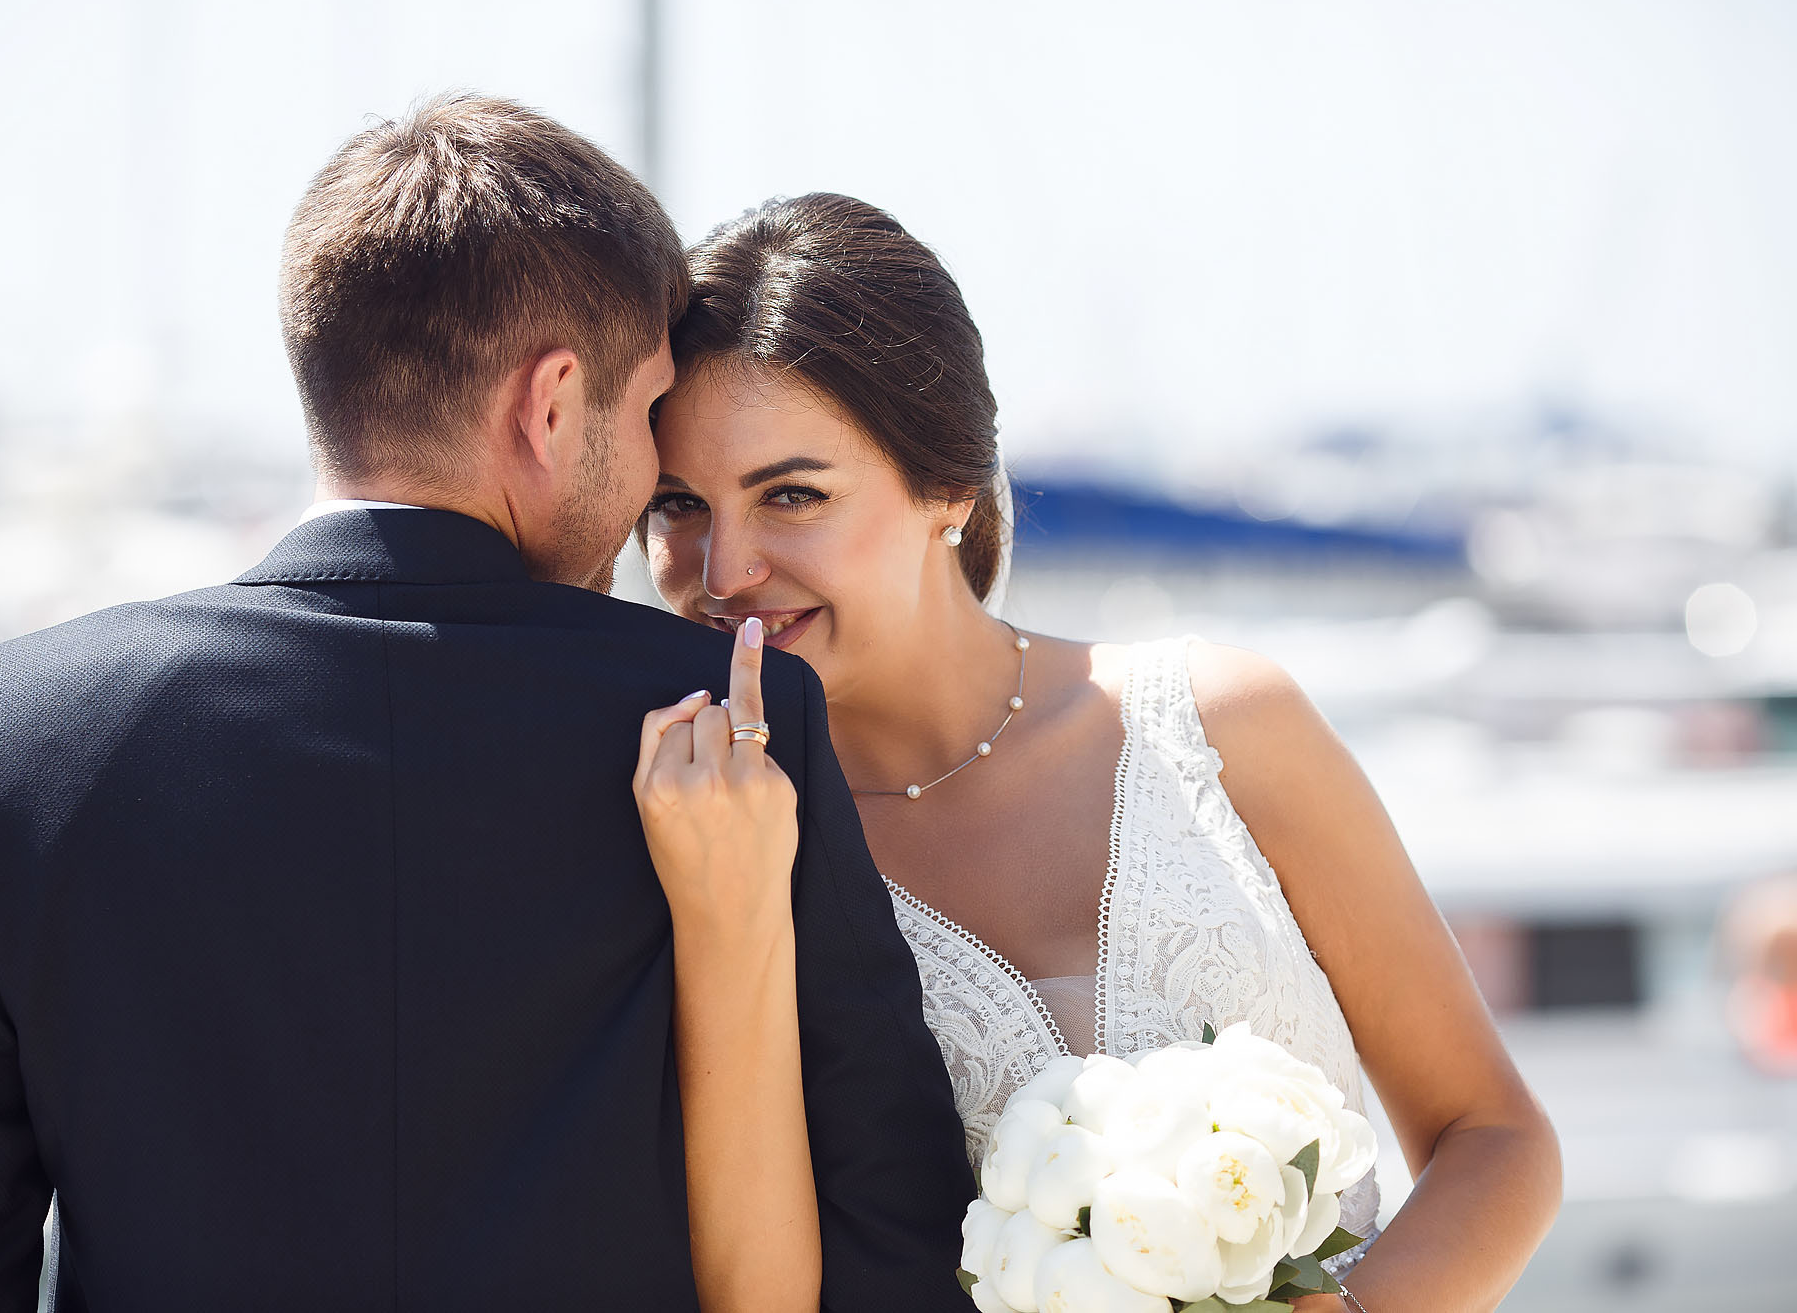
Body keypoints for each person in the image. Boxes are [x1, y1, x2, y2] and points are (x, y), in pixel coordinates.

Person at [0, 101, 974, 1311]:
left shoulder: (15, 732)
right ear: (548, 406)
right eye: (649, 413)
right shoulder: (735, 726)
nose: (654, 470)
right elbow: (885, 1238)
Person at [633, 193, 1563, 1311]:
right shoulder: (711, 835)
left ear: (947, 488)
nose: (722, 567)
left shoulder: (1225, 725)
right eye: (676, 505)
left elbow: (1494, 1136)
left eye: (791, 494)